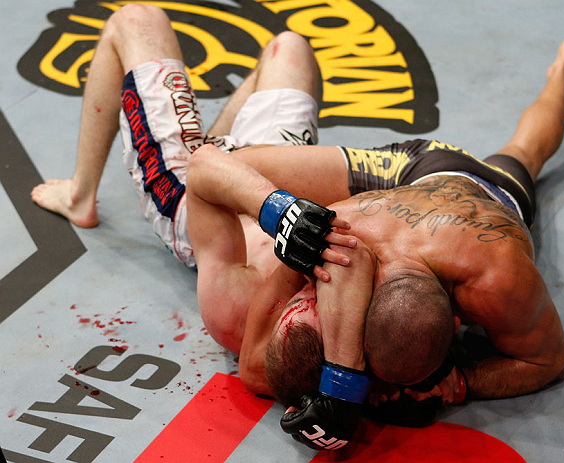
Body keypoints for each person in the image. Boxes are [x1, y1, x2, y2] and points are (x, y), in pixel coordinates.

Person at [199, 38, 564, 448]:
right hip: (405, 176)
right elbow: (257, 366)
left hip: (493, 201)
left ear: (457, 319)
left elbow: (548, 361)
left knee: (526, 152)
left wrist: (464, 382)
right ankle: (561, 73)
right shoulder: (343, 231)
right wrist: (279, 210)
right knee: (236, 165)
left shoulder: (496, 278)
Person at [28, 3, 370, 403]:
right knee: (289, 46)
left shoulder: (237, 311)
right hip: (276, 173)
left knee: (135, 20)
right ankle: (209, 142)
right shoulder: (360, 305)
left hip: (198, 200)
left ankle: (80, 196)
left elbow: (204, 173)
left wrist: (280, 212)